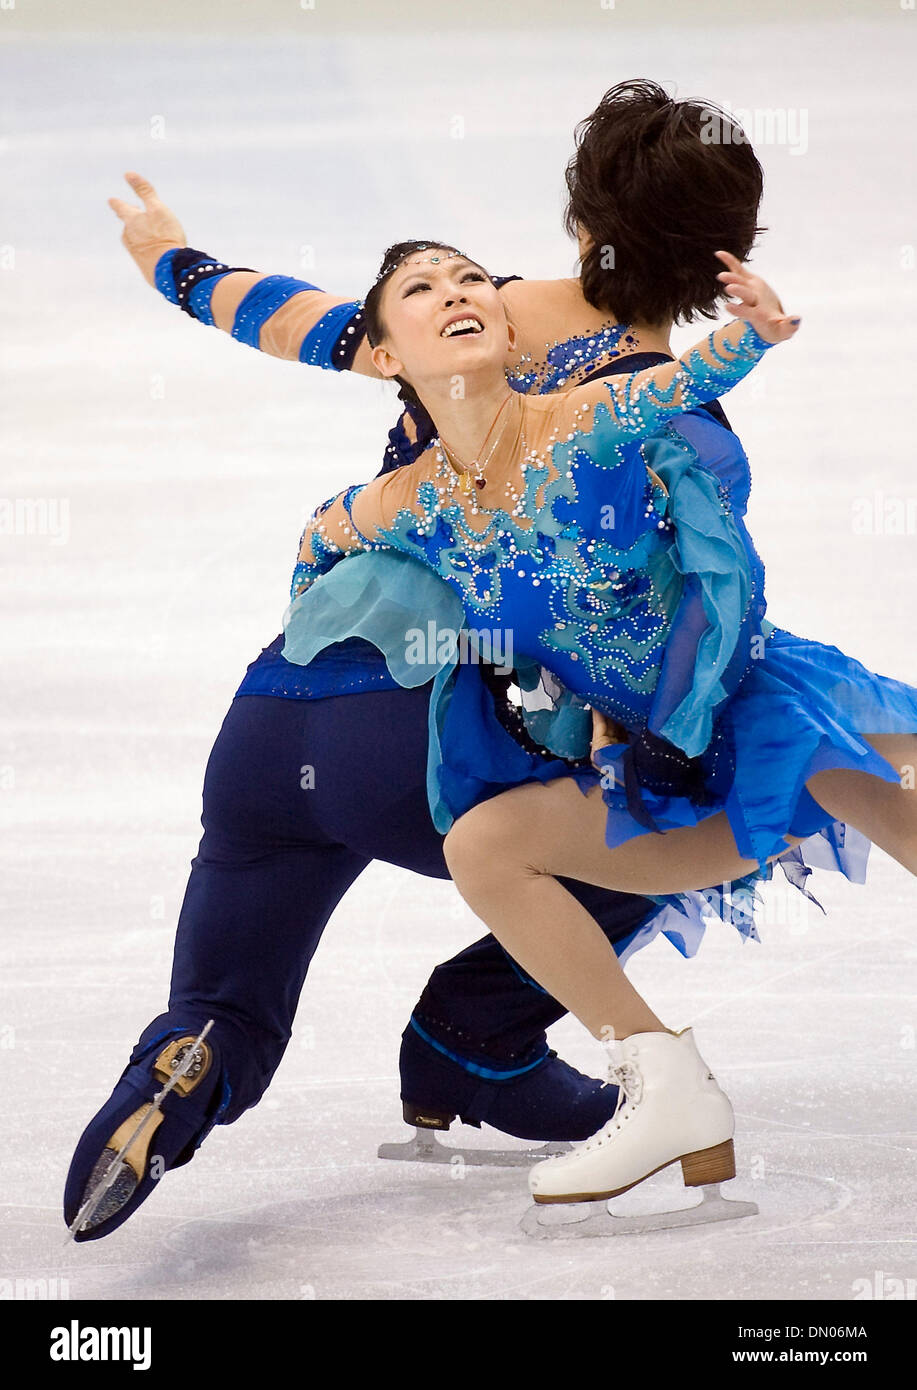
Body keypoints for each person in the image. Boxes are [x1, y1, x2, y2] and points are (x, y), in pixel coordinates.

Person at [66, 81, 780, 1240]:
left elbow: (308, 319)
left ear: (581, 217)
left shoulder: (478, 316)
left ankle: (183, 1064)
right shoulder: (662, 413)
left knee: (222, 993)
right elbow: (656, 633)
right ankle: (478, 1033)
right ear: (726, 250)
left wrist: (175, 262)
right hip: (422, 734)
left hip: (278, 710)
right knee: (680, 805)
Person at [283, 240, 917, 1207]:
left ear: (506, 326)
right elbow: (321, 542)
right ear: (381, 357)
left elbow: (684, 381)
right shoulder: (407, 504)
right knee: (486, 846)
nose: (457, 294)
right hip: (665, 768)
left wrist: (755, 329)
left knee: (869, 773)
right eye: (423, 289)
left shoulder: (576, 423)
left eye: (471, 283)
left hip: (743, 696)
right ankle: (665, 1086)